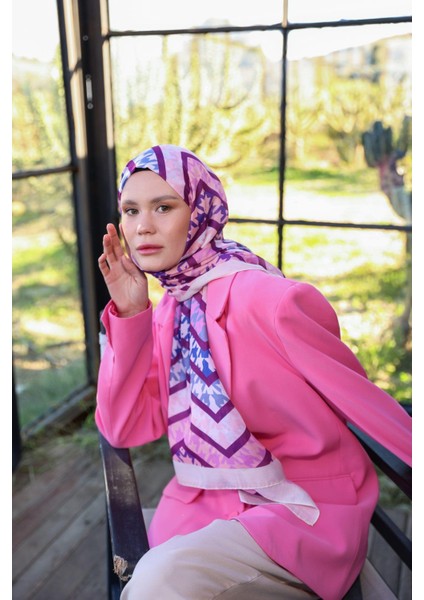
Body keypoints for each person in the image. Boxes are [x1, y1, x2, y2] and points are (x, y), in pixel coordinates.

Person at [95, 144, 412, 600]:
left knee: (156, 583)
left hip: (301, 507)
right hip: (208, 505)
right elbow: (124, 428)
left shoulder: (269, 301)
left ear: (200, 211)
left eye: (163, 207)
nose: (143, 226)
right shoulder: (171, 310)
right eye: (131, 210)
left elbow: (362, 400)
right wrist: (130, 315)